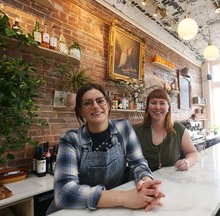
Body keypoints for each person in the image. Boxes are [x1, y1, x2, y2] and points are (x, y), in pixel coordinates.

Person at [47, 83, 165, 215]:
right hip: (73, 211)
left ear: (108, 105)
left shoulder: (124, 128)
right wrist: (123, 197)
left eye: (100, 101)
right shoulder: (70, 139)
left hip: (109, 209)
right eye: (87, 103)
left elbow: (138, 162)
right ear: (80, 110)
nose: (96, 106)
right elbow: (64, 193)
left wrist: (146, 183)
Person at [133, 89, 199, 172]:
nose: (157, 107)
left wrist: (187, 162)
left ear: (168, 108)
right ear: (147, 108)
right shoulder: (136, 131)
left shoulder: (178, 129)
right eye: (153, 103)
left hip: (170, 181)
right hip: (142, 181)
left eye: (162, 103)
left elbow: (193, 153)